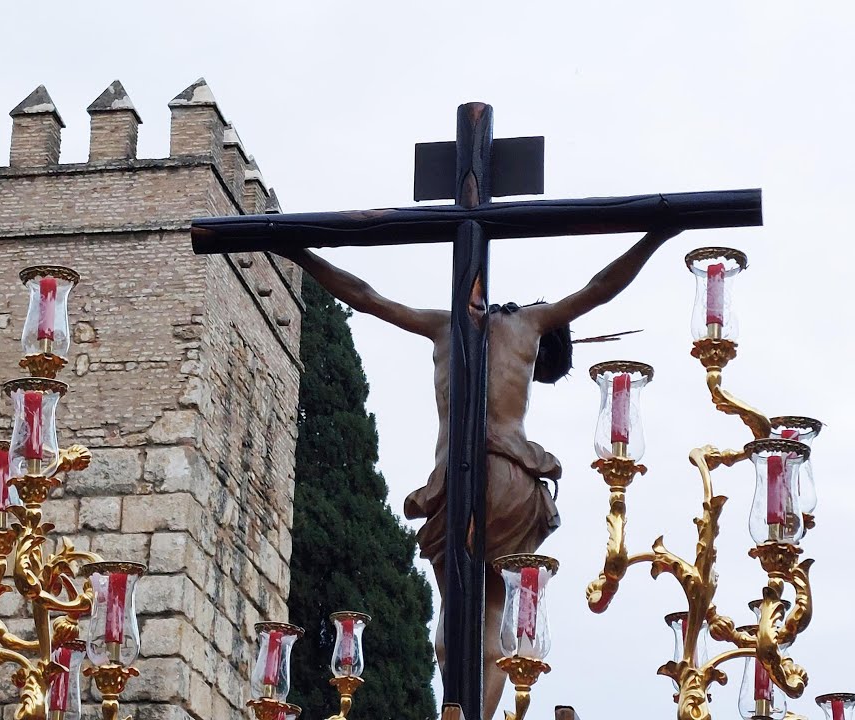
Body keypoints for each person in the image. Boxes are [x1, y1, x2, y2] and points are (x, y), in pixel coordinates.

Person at [277, 228, 681, 715]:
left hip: (452, 482)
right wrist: (658, 233)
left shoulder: (444, 325)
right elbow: (599, 288)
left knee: (454, 619)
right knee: (489, 614)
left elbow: (365, 296)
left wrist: (299, 252)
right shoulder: (531, 325)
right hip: (509, 478)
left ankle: (457, 706)